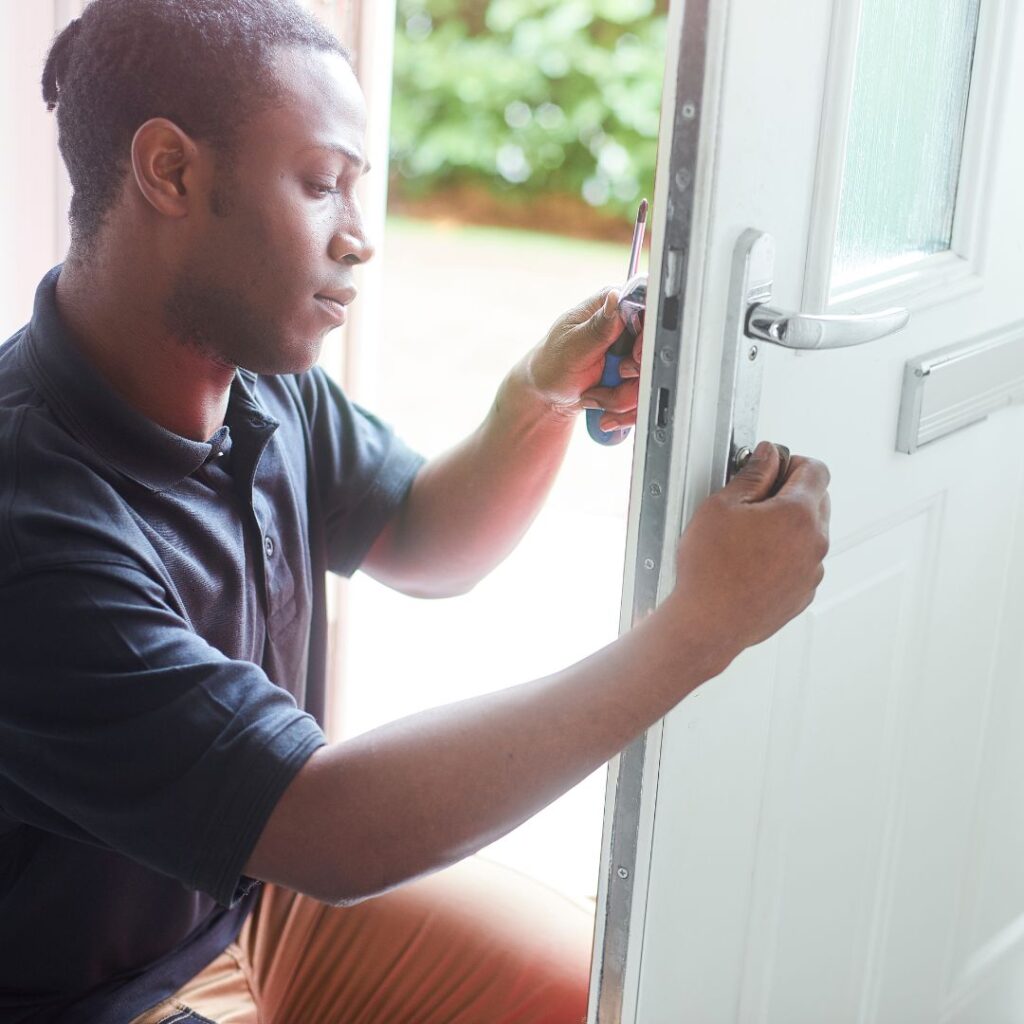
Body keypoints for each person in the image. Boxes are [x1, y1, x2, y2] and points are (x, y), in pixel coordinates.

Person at [0, 1, 831, 1022]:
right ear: (170, 171)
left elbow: (425, 538)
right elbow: (331, 829)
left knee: (615, 990)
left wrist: (537, 398)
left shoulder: (254, 375)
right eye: (320, 185)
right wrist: (697, 631)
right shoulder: (32, 527)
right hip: (86, 991)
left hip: (251, 901)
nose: (359, 239)